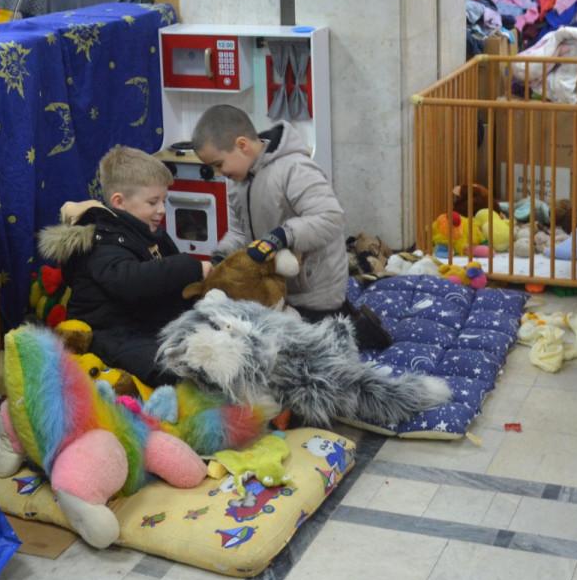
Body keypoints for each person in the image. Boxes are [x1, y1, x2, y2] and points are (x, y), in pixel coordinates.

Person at [192, 105, 391, 351]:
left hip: (312, 290)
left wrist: (283, 235)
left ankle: (359, 329)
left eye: (219, 164)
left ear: (242, 145)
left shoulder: (294, 168)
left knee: (314, 350)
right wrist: (222, 258)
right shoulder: (236, 182)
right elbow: (238, 232)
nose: (218, 173)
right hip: (274, 288)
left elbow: (330, 217)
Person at [38, 145, 210, 387]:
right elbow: (131, 282)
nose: (161, 209)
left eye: (164, 200)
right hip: (111, 333)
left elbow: (167, 282)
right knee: (171, 370)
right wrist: (190, 267)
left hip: (146, 323)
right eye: (153, 202)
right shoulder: (102, 242)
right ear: (119, 202)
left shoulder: (151, 235)